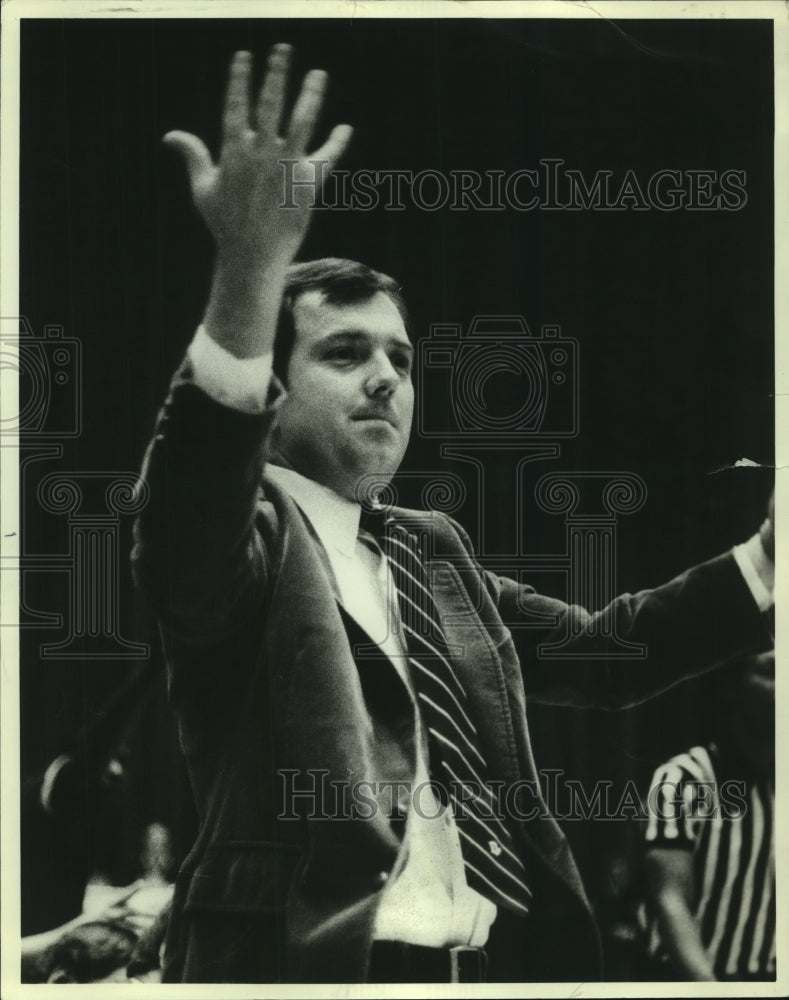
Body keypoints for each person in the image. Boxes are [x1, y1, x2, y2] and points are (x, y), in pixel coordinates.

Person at [132, 45, 775, 983]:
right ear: (275, 386)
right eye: (345, 353)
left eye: (400, 357)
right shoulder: (247, 538)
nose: (386, 377)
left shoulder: (432, 550)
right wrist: (248, 270)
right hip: (307, 966)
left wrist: (767, 557)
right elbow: (189, 505)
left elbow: (605, 652)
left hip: (483, 965)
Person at [641, 649, 775, 981]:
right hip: (688, 980)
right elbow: (670, 901)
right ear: (733, 685)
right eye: (771, 670)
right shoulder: (685, 778)